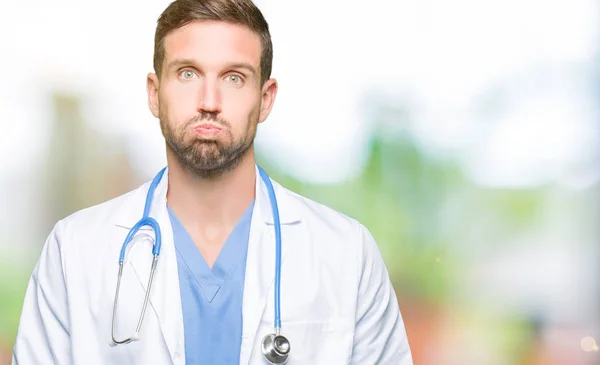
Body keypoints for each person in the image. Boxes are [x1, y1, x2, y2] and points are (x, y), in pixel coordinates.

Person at [12, 0, 414, 364]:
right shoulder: (75, 251)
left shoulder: (346, 254)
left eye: (234, 78)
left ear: (266, 98)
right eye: (187, 73)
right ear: (154, 93)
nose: (209, 100)